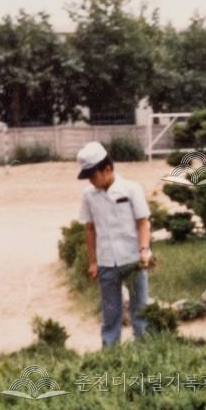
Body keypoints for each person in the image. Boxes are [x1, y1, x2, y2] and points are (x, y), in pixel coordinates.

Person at [76, 141, 152, 348]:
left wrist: (144, 250)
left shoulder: (131, 189)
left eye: (93, 175)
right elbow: (89, 228)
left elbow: (143, 222)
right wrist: (93, 261)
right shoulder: (88, 195)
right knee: (110, 311)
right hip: (106, 261)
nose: (91, 181)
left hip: (134, 259)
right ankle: (110, 351)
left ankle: (144, 348)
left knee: (140, 307)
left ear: (107, 169)